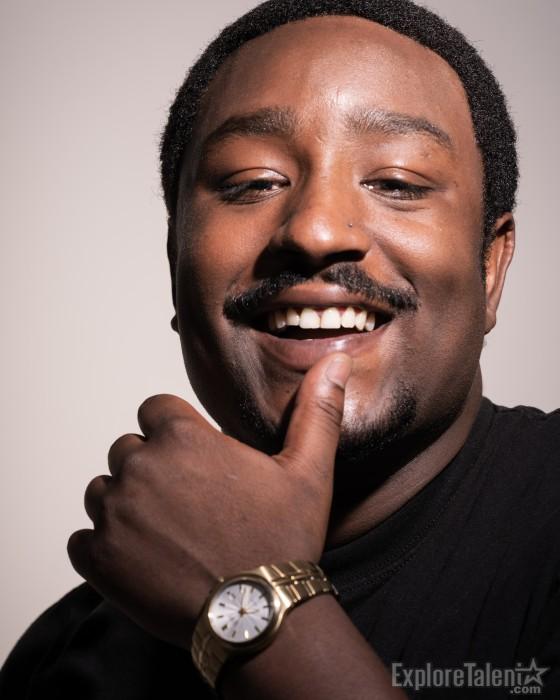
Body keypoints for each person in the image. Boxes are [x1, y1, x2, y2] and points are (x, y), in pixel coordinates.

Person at [1, 0, 558, 697]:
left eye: (396, 183)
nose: (316, 230)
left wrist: (252, 602)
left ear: (490, 268)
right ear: (174, 261)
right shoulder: (68, 660)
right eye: (252, 182)